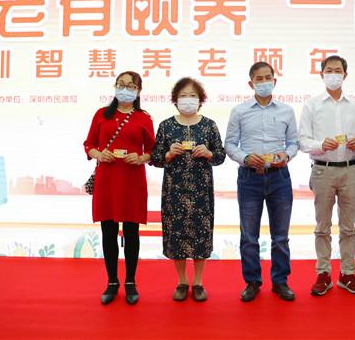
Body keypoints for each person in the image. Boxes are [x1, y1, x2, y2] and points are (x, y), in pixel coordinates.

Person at [224, 62, 299, 302]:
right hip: (249, 178)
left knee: (281, 236)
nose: (264, 82)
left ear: (274, 81)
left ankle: (280, 281)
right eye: (259, 79)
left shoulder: (287, 111)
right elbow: (230, 144)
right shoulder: (239, 111)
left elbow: (294, 143)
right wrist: (245, 158)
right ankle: (252, 281)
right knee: (249, 236)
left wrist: (286, 155)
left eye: (268, 78)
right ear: (251, 83)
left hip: (279, 177)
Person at [83, 71, 155, 305]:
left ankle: (131, 282)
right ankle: (112, 282)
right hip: (107, 179)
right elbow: (89, 144)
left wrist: (141, 157)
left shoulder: (143, 118)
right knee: (108, 231)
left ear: (138, 91)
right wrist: (98, 153)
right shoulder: (102, 115)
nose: (125, 89)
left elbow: (153, 151)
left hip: (132, 180)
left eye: (131, 86)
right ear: (115, 87)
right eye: (121, 84)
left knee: (132, 232)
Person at [151, 77, 226, 302]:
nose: (188, 100)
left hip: (202, 191)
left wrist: (208, 153)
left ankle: (198, 282)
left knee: (201, 234)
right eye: (183, 96)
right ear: (175, 99)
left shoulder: (209, 125)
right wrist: (168, 154)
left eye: (192, 96)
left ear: (200, 100)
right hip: (174, 190)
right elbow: (155, 158)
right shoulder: (166, 125)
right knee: (177, 234)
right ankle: (182, 281)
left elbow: (220, 156)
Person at [299, 55, 355, 296]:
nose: (333, 75)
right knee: (322, 227)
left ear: (345, 75)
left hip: (350, 169)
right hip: (322, 170)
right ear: (322, 75)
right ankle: (323, 273)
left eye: (338, 71)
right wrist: (320, 145)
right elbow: (303, 141)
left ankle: (347, 273)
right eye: (329, 71)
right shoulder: (312, 105)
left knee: (349, 227)